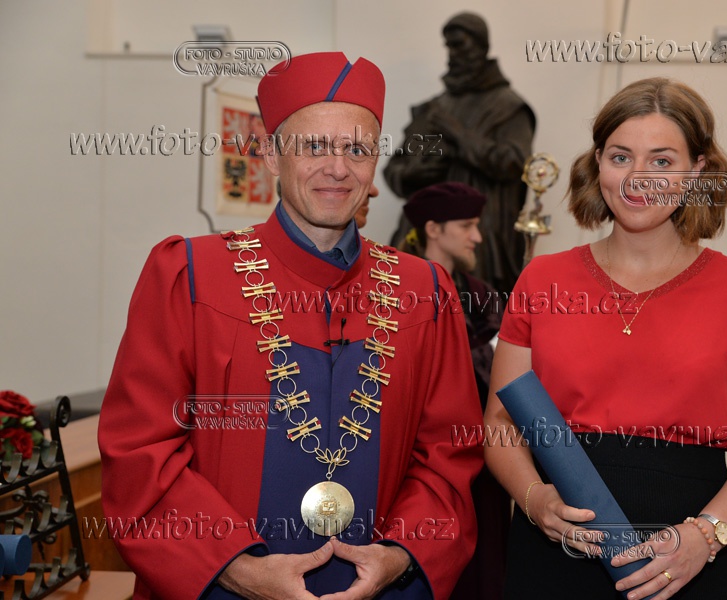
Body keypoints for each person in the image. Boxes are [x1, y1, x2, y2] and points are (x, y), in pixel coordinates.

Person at [99, 52, 483, 600]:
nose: (338, 168)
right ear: (270, 155)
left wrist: (402, 555)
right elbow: (141, 454)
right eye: (315, 146)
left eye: (357, 149)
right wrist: (234, 569)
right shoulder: (190, 277)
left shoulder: (425, 292)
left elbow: (449, 454)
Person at [484, 77, 727, 599]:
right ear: (598, 163)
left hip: (692, 553)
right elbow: (499, 423)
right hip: (556, 547)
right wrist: (534, 499)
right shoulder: (542, 280)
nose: (637, 178)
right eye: (621, 157)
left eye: (662, 161)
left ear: (697, 171)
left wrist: (706, 535)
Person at [400, 182, 506, 600]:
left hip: (484, 454)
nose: (477, 236)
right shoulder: (401, 287)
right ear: (433, 229)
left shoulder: (481, 293)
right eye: (466, 225)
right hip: (422, 458)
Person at [383, 12, 536, 295]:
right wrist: (414, 173)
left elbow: (514, 163)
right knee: (409, 312)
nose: (453, 54)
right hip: (420, 238)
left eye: (460, 45)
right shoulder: (433, 109)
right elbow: (395, 169)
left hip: (479, 239)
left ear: (482, 46)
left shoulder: (508, 107)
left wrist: (460, 135)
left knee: (471, 315)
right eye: (449, 46)